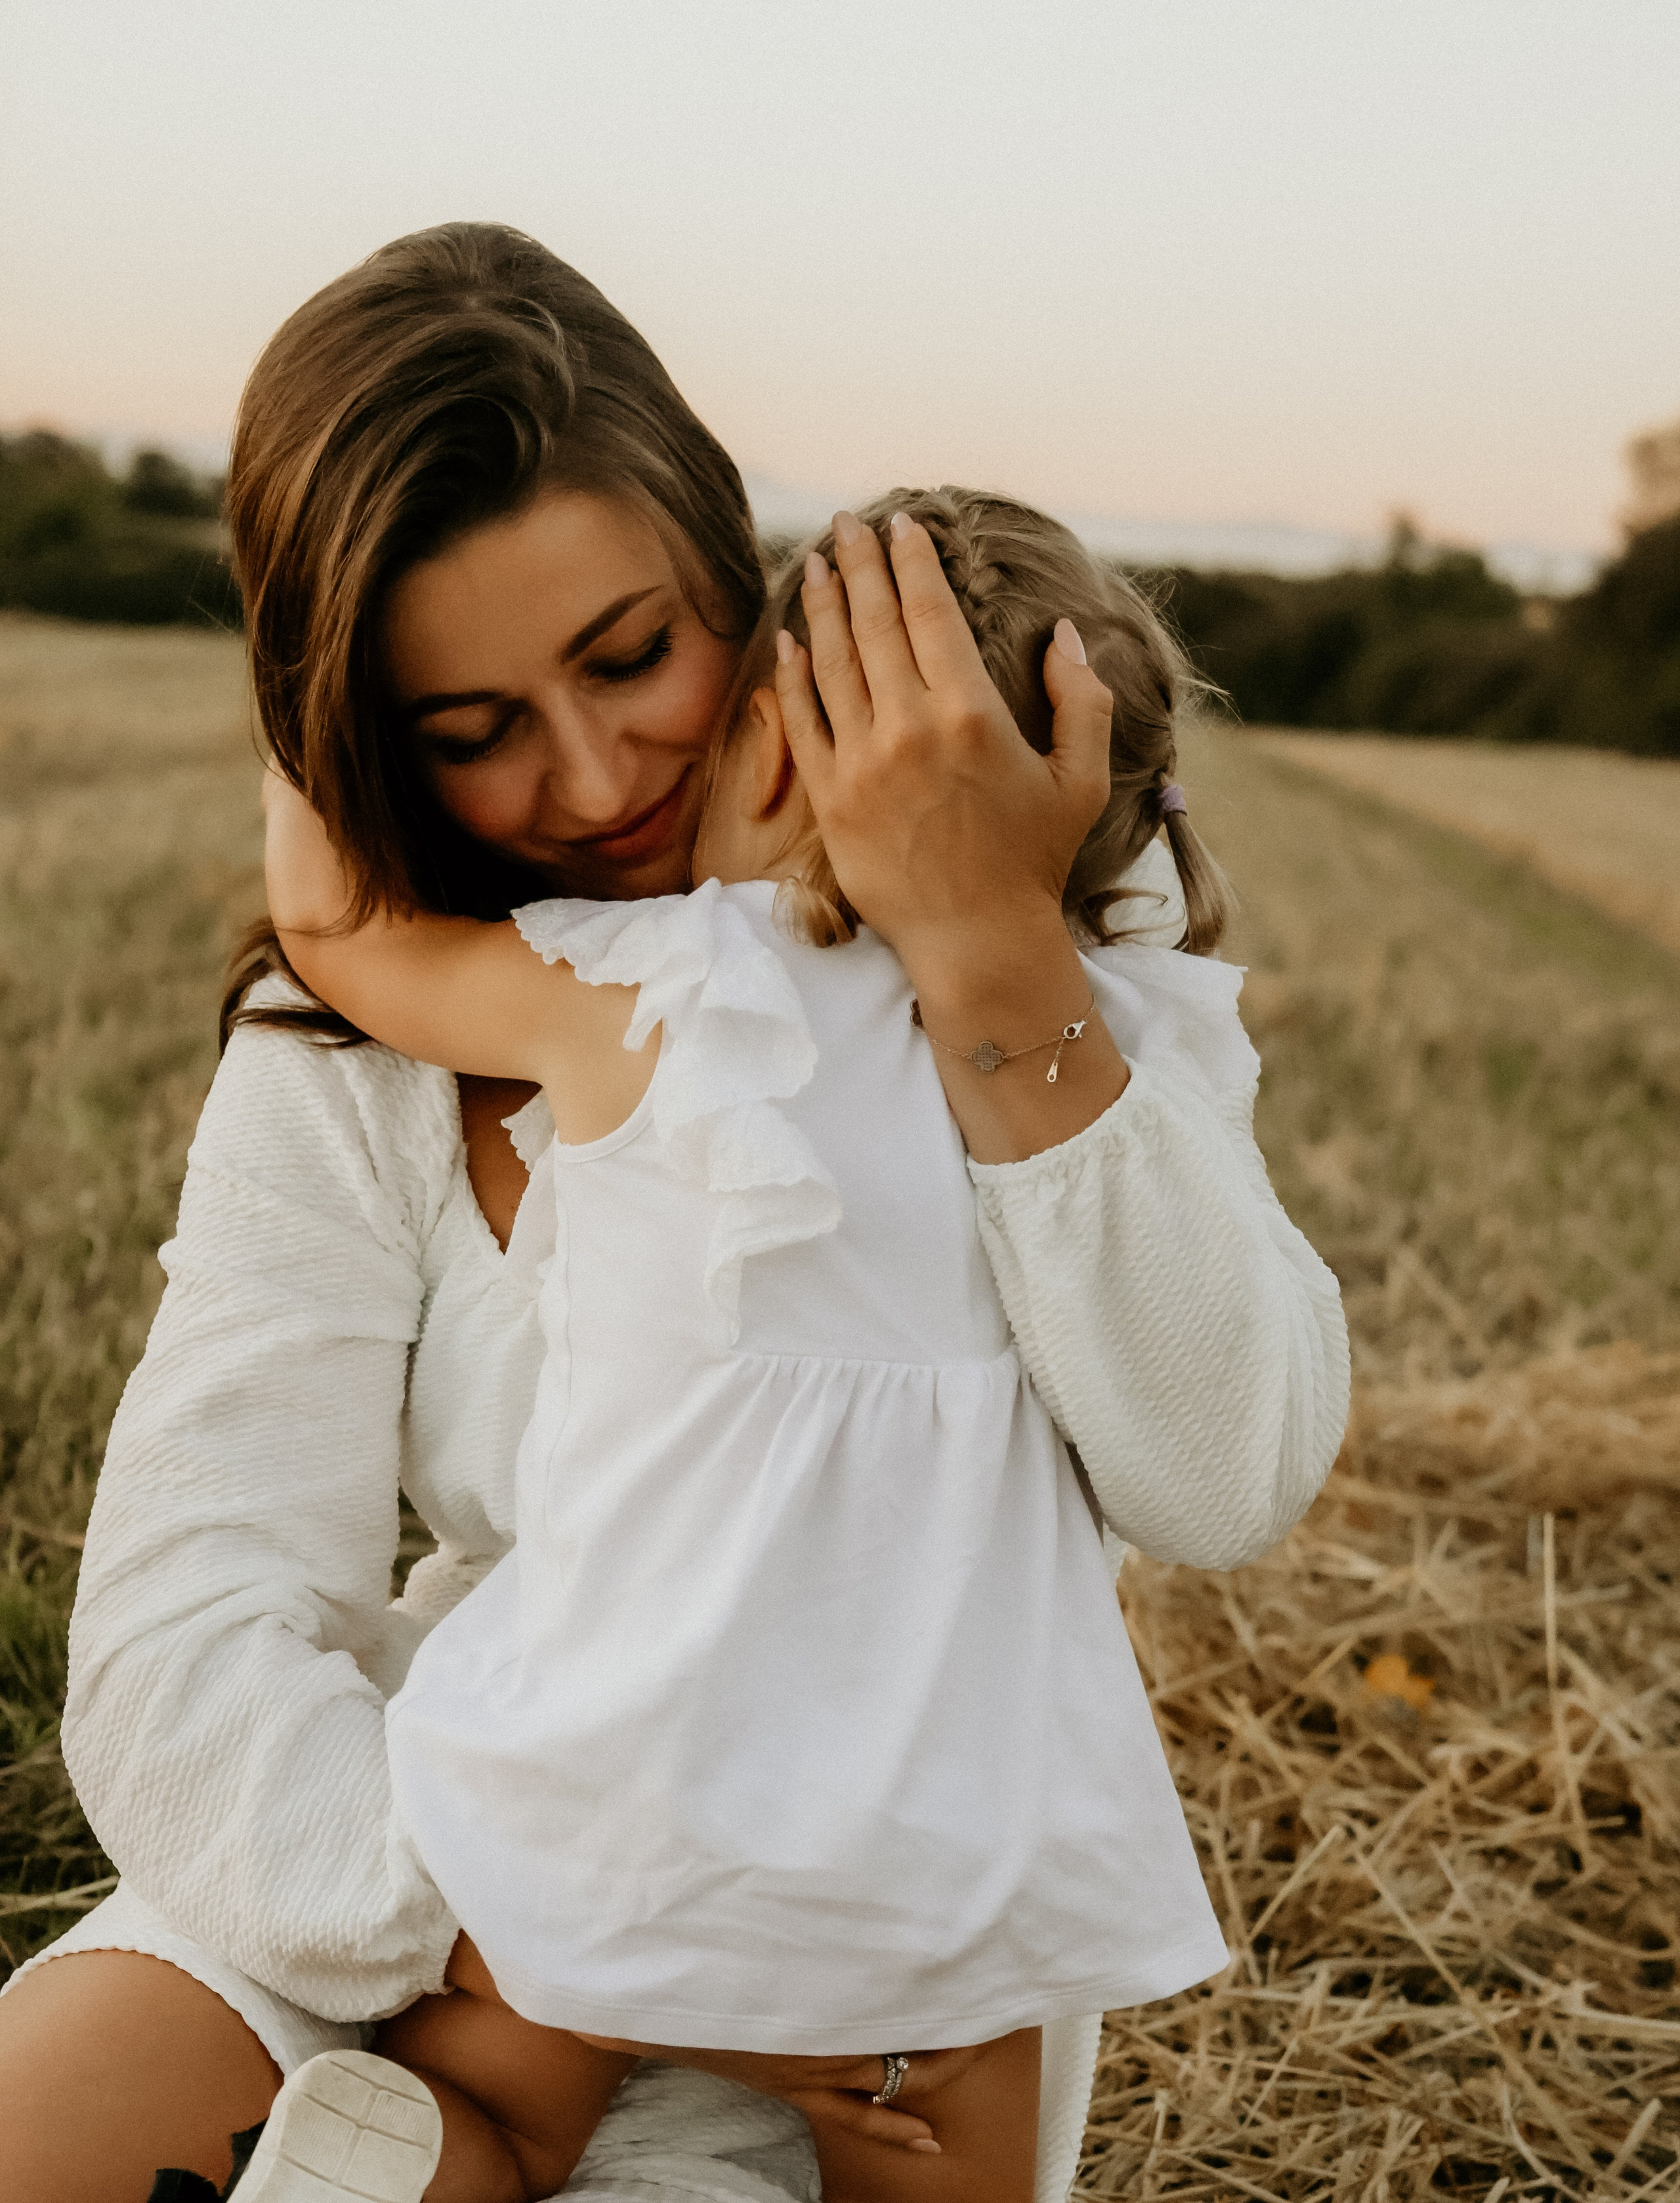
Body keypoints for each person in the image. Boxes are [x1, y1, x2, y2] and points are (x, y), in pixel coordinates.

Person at [0, 224, 1349, 2203]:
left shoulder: (1054, 960)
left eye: (633, 657)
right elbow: (178, 1642)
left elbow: (1227, 1474)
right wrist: (541, 1929)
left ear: (746, 577)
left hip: (856, 2005)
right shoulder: (377, 1036)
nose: (591, 775)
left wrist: (988, 963)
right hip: (415, 1843)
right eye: (468, 732)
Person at [241, 482, 1313, 2203]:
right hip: (931, 1838)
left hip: (607, 1767)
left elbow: (341, 935)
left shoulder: (655, 991)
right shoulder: (1086, 1066)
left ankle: (404, 2161)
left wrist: (314, 703)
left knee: (505, 2097)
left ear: (760, 753)